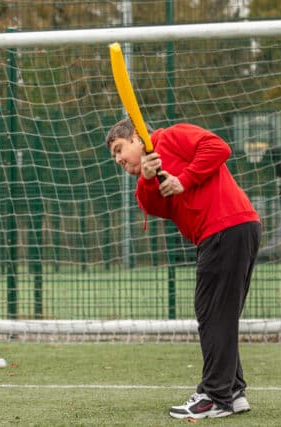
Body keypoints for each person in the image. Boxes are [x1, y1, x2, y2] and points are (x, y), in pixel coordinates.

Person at [106, 119, 261, 419]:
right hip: (234, 228)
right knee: (221, 316)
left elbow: (219, 148)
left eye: (119, 149)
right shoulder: (143, 184)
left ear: (138, 139)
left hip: (225, 226)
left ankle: (215, 396)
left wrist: (184, 178)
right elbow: (153, 205)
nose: (118, 159)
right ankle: (233, 390)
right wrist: (151, 176)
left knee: (212, 315)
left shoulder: (172, 137)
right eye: (115, 156)